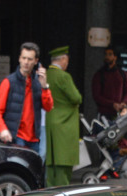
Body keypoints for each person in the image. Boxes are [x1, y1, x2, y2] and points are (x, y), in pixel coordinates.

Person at [0, 42, 53, 149]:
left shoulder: (38, 83)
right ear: (19, 58)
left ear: (36, 61)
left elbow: (48, 107)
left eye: (30, 59)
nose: (26, 62)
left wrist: (44, 87)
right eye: (24, 58)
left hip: (34, 139)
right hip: (15, 137)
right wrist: (3, 129)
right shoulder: (9, 82)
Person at [43, 46, 81, 187]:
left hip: (50, 121)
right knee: (63, 165)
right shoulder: (64, 76)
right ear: (63, 59)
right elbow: (76, 98)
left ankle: (50, 193)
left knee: (52, 164)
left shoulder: (47, 74)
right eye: (67, 60)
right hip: (65, 125)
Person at [91, 45, 127, 121]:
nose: (107, 57)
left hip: (119, 112)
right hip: (104, 113)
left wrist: (123, 102)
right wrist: (112, 104)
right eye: (105, 54)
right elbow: (96, 96)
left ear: (115, 57)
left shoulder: (122, 74)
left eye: (110, 54)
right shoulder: (99, 75)